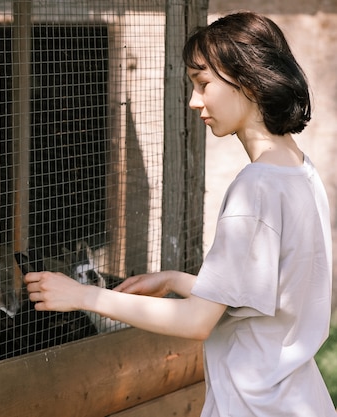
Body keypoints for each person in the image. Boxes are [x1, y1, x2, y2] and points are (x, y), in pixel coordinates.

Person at [24, 11, 336, 416]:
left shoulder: (256, 187)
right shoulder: (299, 170)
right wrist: (173, 279)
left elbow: (197, 322)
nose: (194, 101)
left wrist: (83, 295)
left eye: (203, 83)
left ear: (248, 79)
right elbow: (264, 300)